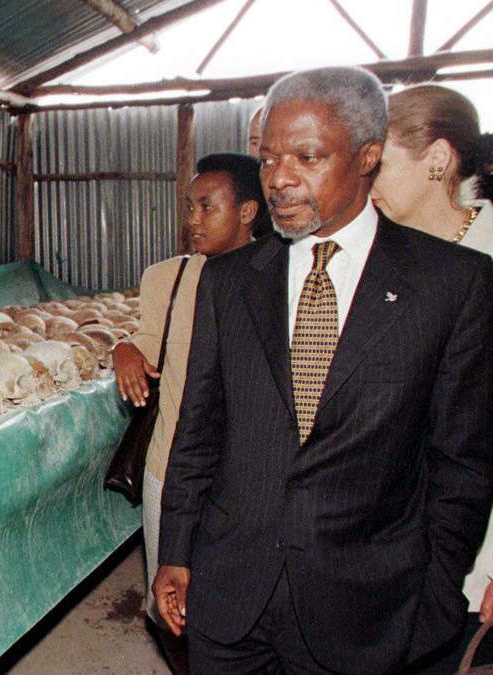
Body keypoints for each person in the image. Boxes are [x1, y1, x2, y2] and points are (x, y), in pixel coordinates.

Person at [153, 66, 493, 675]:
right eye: (268, 158)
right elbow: (198, 430)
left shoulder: (451, 284)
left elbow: (460, 463)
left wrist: (434, 597)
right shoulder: (230, 282)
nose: (280, 179)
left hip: (365, 609)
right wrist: (175, 550)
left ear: (368, 157)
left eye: (306, 157)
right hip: (231, 598)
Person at [113, 152, 267, 672]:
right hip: (172, 470)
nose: (192, 219)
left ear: (247, 211)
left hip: (248, 479)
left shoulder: (280, 278)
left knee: (240, 607)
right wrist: (123, 347)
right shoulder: (168, 278)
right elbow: (147, 343)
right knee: (170, 605)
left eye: (206, 206)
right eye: (190, 207)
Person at [370, 84, 493, 673]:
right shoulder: (389, 260)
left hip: (478, 563)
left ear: (437, 161)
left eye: (381, 165)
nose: (366, 185)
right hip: (390, 549)